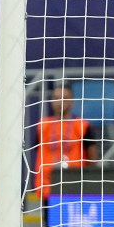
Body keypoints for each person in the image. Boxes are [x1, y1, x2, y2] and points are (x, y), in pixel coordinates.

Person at [35, 82, 99, 217]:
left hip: (75, 188)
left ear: (72, 101)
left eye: (64, 98)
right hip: (49, 187)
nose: (60, 102)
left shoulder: (82, 126)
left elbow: (93, 160)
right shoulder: (42, 126)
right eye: (56, 98)